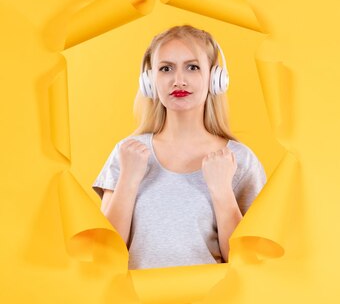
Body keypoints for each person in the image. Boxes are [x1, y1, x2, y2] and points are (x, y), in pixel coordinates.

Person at [92, 25, 267, 270]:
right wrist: (128, 180)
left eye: (192, 67)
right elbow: (103, 254)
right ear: (149, 81)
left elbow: (248, 261)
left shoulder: (239, 160)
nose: (179, 80)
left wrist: (222, 192)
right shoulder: (126, 153)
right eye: (166, 68)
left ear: (215, 78)